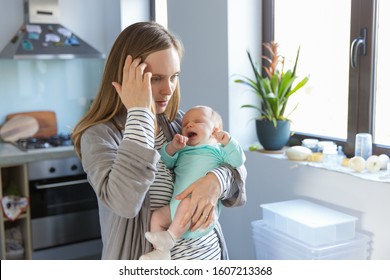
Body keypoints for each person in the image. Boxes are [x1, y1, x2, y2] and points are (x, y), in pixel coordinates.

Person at [71, 21, 247, 260]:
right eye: (156, 79)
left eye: (174, 76)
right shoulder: (99, 136)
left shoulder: (179, 123)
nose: (168, 89)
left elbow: (236, 175)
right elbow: (125, 202)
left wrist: (215, 181)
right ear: (125, 78)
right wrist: (139, 113)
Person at [139, 105, 246, 260]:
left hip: (195, 209)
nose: (189, 125)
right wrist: (172, 147)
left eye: (198, 121)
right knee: (156, 217)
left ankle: (170, 237)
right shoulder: (183, 150)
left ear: (215, 130)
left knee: (188, 201)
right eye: (185, 124)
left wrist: (228, 142)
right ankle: (161, 252)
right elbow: (166, 162)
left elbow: (238, 162)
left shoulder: (218, 151)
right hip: (174, 209)